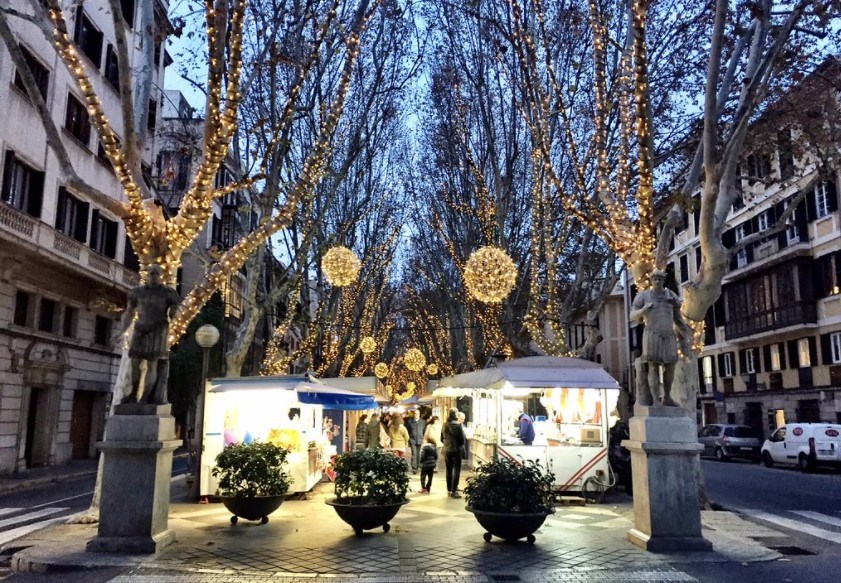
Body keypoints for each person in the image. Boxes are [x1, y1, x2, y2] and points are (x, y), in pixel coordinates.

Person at [629, 269, 692, 406]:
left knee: (671, 366)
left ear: (663, 280)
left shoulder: (671, 295)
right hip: (652, 334)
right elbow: (632, 315)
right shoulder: (643, 296)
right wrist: (643, 310)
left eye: (660, 279)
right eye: (655, 279)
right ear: (651, 280)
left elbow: (678, 318)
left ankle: (667, 397)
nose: (657, 281)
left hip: (669, 334)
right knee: (653, 366)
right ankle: (656, 400)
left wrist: (686, 334)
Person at [120, 264, 180, 405]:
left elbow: (175, 310)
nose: (153, 276)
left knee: (152, 364)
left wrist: (173, 314)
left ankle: (146, 396)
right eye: (151, 273)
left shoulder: (168, 293)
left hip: (158, 329)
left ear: (161, 276)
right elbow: (129, 313)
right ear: (146, 275)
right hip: (140, 328)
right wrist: (121, 332)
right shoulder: (137, 292)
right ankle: (133, 393)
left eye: (156, 273)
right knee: (135, 362)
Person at [441, 408, 466, 498]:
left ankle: (449, 489)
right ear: (455, 415)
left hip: (447, 450)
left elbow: (441, 438)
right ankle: (454, 490)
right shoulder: (458, 425)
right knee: (456, 470)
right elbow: (462, 439)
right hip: (456, 450)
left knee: (449, 469)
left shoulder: (444, 424)